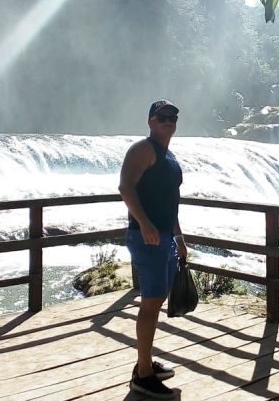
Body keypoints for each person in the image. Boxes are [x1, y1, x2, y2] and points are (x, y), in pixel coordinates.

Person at [118, 99, 187, 399]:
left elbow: (170, 201)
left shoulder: (167, 154)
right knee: (151, 302)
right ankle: (143, 375)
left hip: (164, 237)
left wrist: (179, 237)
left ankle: (144, 364)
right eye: (162, 117)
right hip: (147, 238)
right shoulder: (143, 149)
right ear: (150, 121)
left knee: (155, 300)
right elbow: (125, 187)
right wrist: (144, 223)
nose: (168, 121)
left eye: (172, 117)